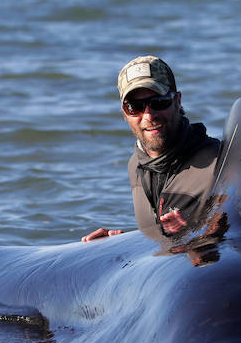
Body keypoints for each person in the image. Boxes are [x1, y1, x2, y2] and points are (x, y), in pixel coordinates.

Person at [81, 56, 221, 242]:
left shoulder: (220, 163)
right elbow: (157, 246)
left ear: (178, 101)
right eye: (135, 107)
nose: (148, 115)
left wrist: (196, 235)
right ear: (124, 112)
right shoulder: (136, 165)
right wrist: (118, 244)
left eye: (159, 102)